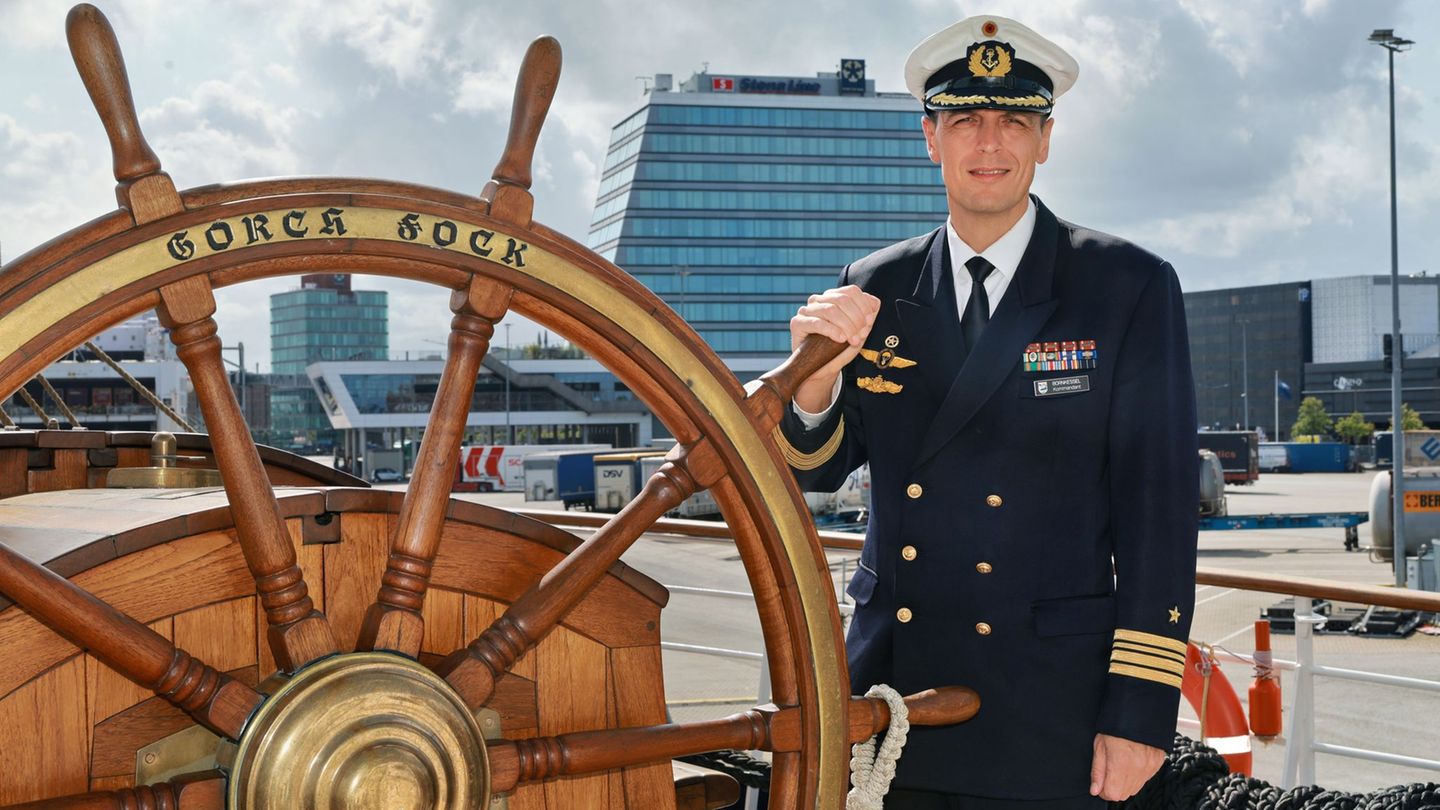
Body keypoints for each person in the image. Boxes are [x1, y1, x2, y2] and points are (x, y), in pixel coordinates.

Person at [778, 15, 1199, 809]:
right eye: (966, 119)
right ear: (930, 138)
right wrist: (814, 382)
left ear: (1046, 139)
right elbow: (818, 469)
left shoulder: (1125, 286)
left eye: (1014, 120)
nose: (989, 142)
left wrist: (1140, 714)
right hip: (895, 693)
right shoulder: (874, 284)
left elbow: (1160, 515)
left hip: (1051, 703)